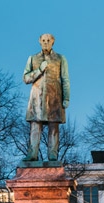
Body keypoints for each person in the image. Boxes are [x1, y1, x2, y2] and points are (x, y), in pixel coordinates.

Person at [23, 33, 70, 162]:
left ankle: (53, 154)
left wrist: (66, 98)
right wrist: (39, 70)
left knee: (53, 127)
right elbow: (26, 78)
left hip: (54, 98)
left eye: (48, 40)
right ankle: (32, 153)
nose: (45, 42)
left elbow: (65, 79)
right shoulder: (32, 58)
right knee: (35, 126)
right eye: (43, 40)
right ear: (39, 41)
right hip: (37, 99)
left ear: (52, 42)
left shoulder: (60, 58)